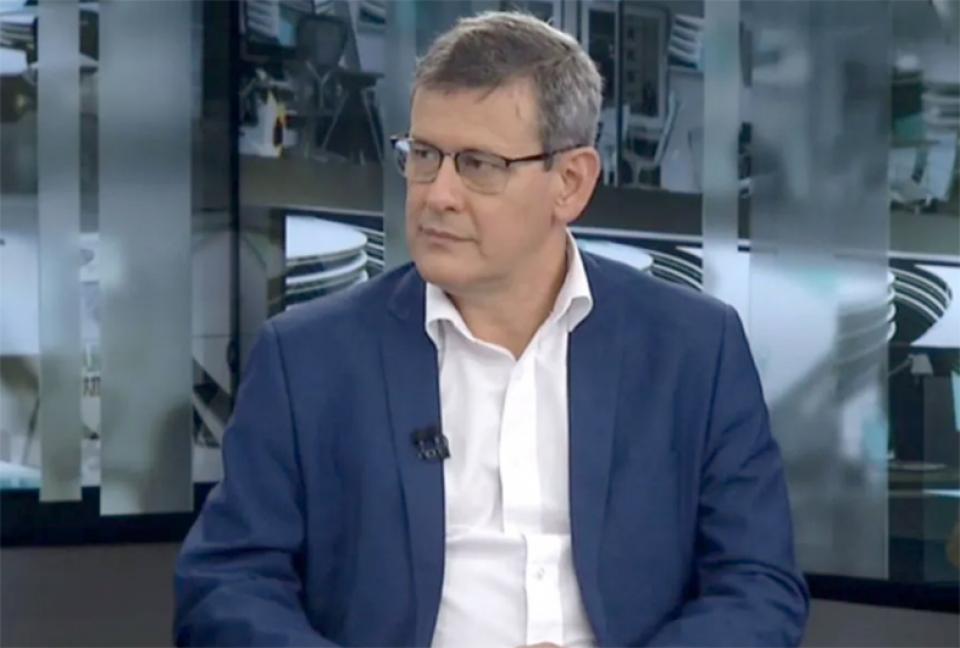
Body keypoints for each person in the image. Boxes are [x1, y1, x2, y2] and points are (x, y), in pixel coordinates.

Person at [174, 11, 809, 648]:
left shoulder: (694, 351)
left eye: (479, 164)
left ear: (570, 183)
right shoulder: (307, 359)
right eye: (424, 156)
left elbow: (757, 587)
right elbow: (226, 588)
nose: (437, 194)